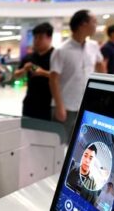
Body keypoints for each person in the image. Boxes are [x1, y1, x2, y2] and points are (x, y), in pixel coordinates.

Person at [50, 10, 105, 139]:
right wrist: (59, 106)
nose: (96, 25)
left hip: (88, 105)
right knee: (60, 143)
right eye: (94, 22)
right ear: (82, 24)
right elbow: (53, 80)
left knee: (81, 143)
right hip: (67, 106)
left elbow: (101, 65)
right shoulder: (61, 50)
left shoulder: (93, 46)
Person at [14, 22, 54, 120]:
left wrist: (43, 72)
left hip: (49, 105)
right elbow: (16, 75)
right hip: (30, 104)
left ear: (49, 38)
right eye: (35, 37)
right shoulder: (29, 57)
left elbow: (62, 77)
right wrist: (24, 69)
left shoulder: (56, 56)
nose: (36, 40)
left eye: (40, 37)